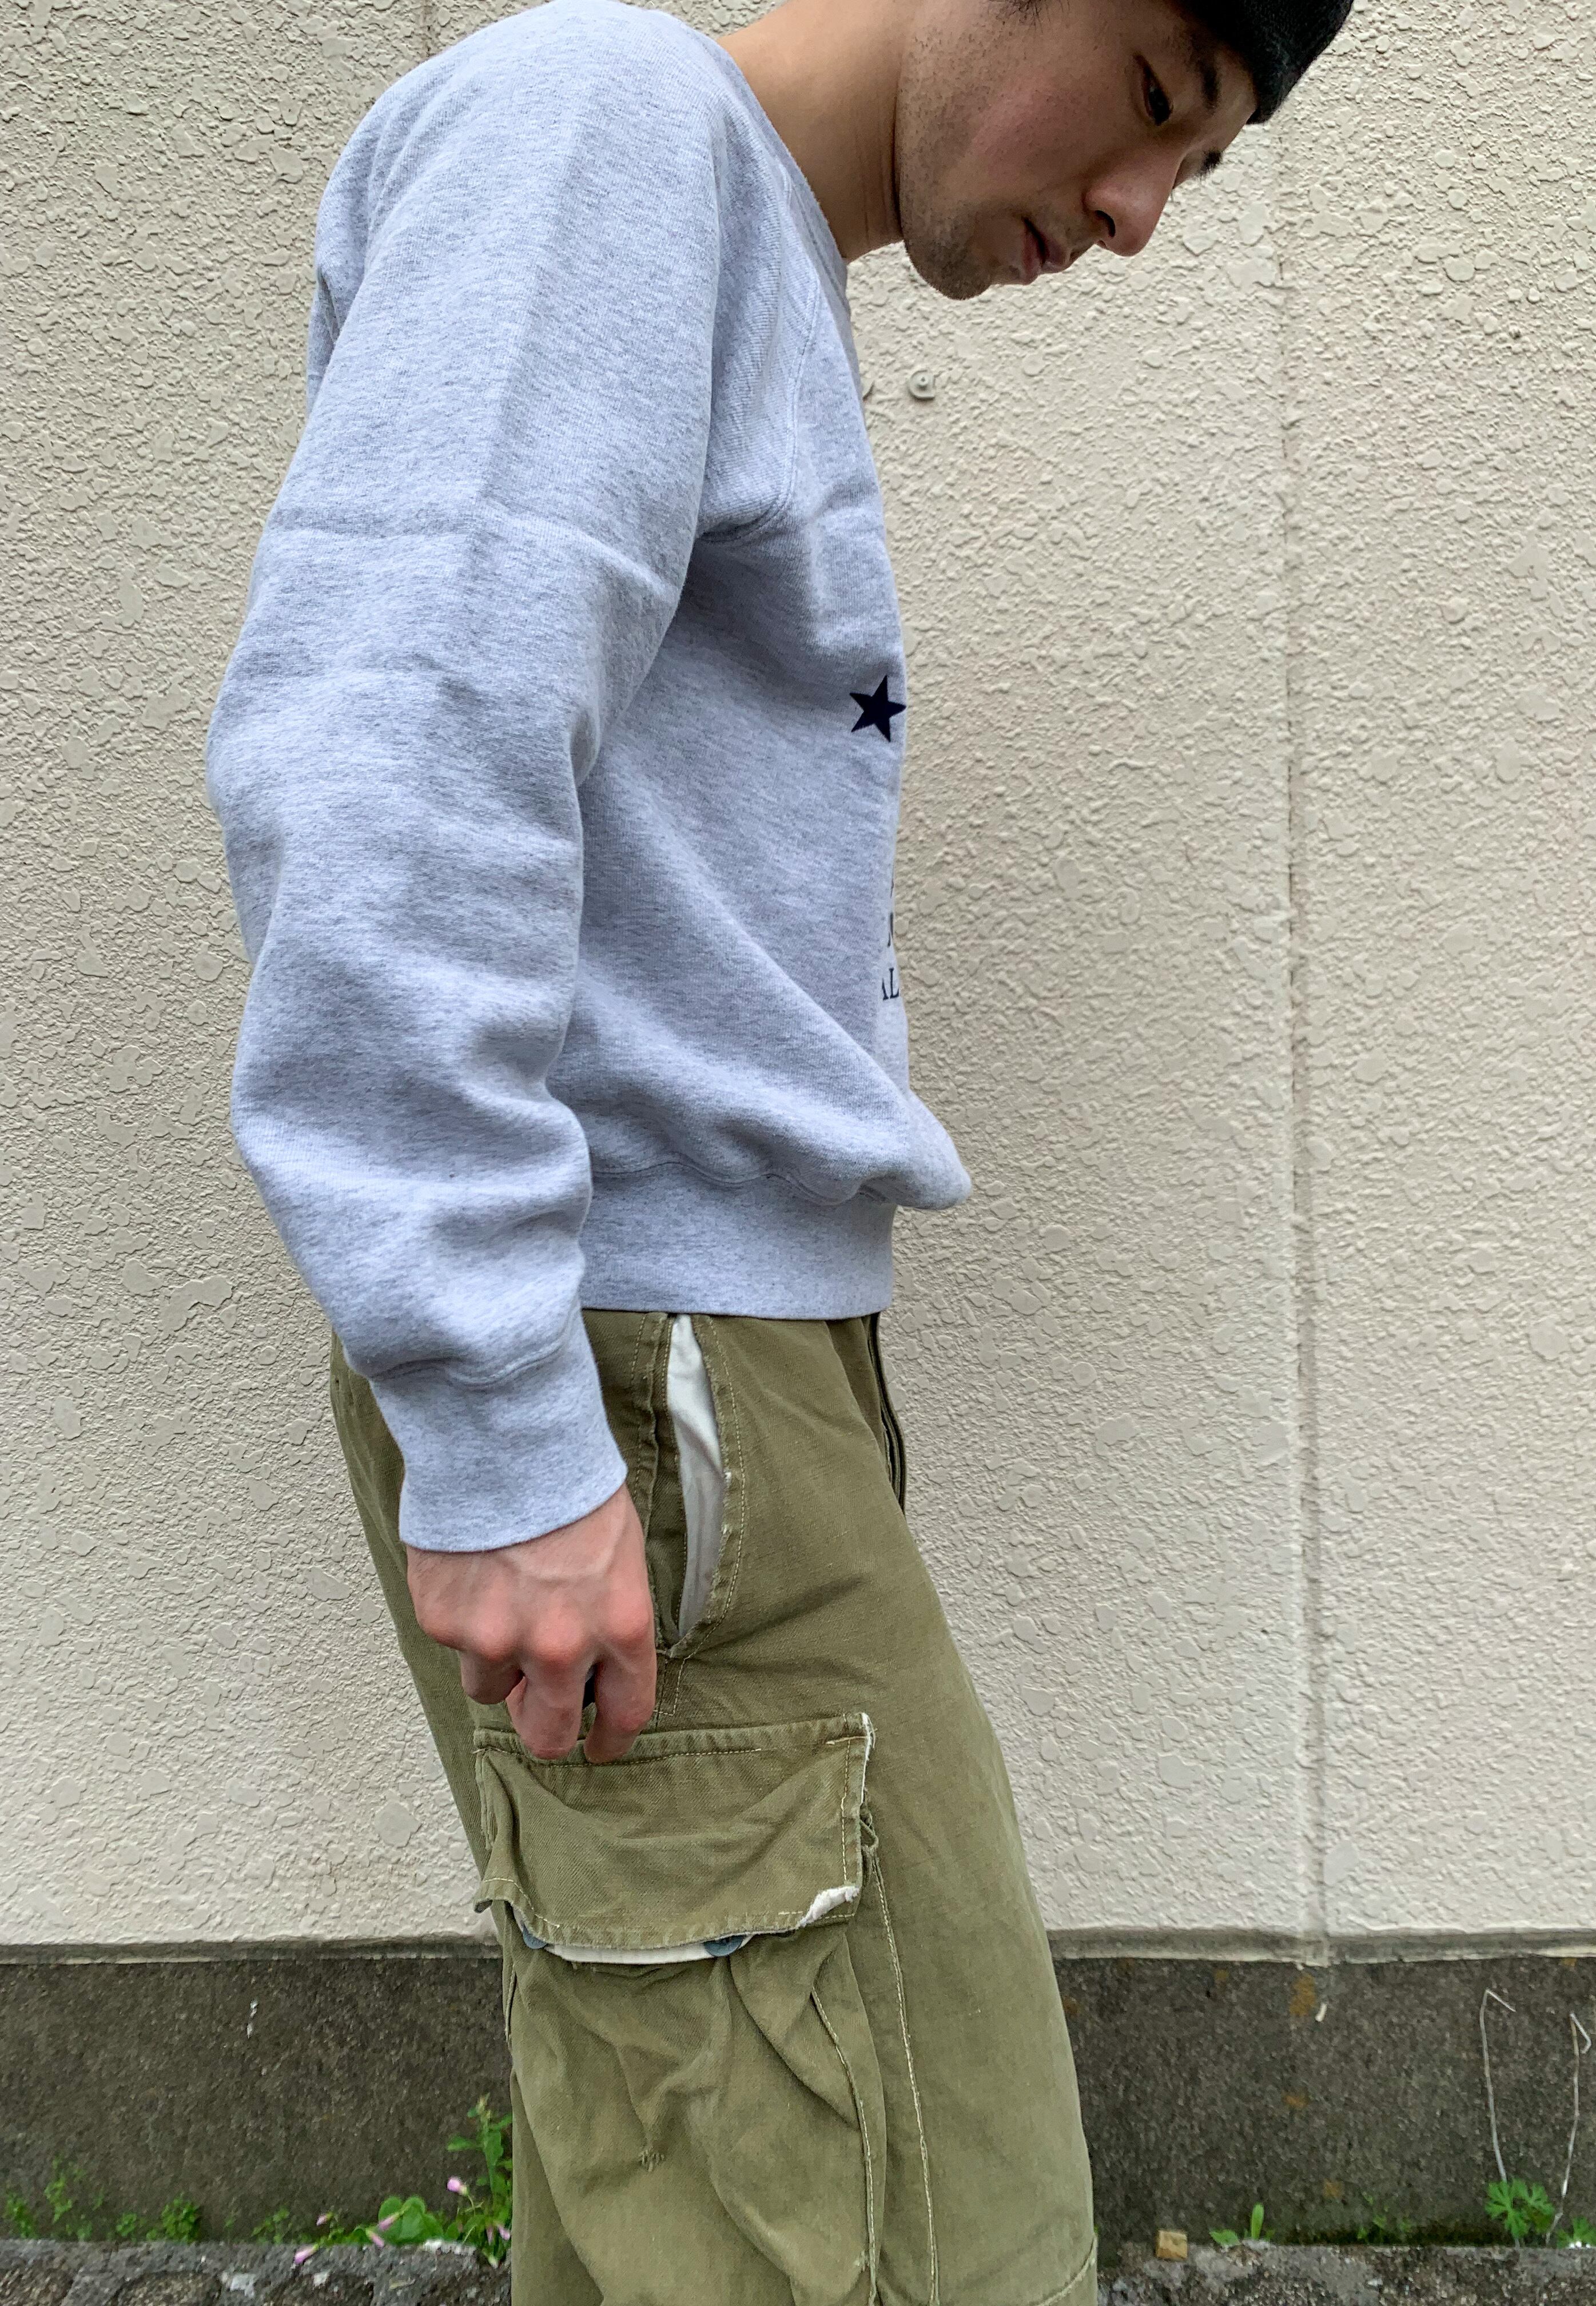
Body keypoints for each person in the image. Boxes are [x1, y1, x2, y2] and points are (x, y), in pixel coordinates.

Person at [205, 0, 1348, 2292]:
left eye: (1202, 167)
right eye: (1153, 96)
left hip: (686, 1363)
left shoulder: (718, 225)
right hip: (644, 1368)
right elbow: (392, 755)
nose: (1140, 214)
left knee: (709, 2187)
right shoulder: (609, 134)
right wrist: (511, 1421)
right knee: (907, 2224)